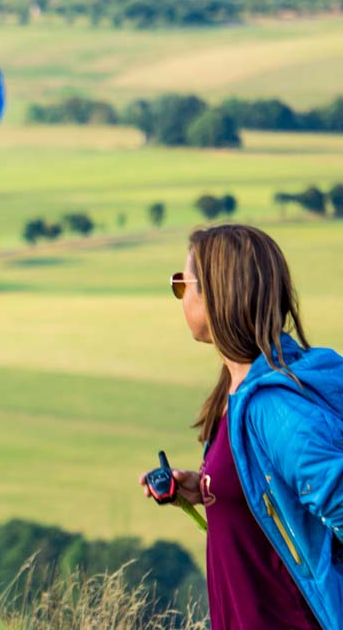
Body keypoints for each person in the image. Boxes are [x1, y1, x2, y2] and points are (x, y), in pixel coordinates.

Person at [141, 224, 343, 629]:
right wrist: (209, 488)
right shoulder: (239, 393)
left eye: (183, 285)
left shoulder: (274, 407)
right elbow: (271, 493)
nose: (179, 295)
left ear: (217, 297)